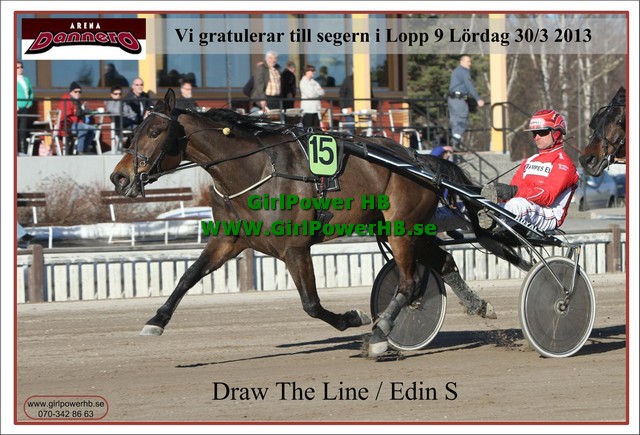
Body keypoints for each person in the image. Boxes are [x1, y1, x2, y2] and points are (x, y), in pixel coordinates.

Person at [479, 109, 579, 233]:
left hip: (549, 214)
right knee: (482, 204)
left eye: (542, 132)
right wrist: (502, 195)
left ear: (556, 133)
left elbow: (547, 196)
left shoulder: (564, 164)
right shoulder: (529, 160)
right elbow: (514, 190)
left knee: (520, 204)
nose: (537, 137)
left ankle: (495, 217)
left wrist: (513, 191)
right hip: (523, 209)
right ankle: (473, 215)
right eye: (534, 133)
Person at [447, 55, 485, 147]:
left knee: (455, 122)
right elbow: (469, 86)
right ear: (462, 62)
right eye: (468, 62)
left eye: (470, 62)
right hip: (459, 100)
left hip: (452, 99)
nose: (470, 64)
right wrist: (478, 99)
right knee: (463, 122)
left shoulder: (455, 71)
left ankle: (454, 144)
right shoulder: (464, 71)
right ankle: (454, 142)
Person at [57, 81, 97, 154]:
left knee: (93, 129)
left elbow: (78, 113)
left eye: (79, 92)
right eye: (75, 91)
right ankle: (80, 151)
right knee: (84, 128)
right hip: (67, 125)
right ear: (71, 92)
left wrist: (84, 110)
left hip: (76, 123)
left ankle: (84, 149)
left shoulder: (76, 101)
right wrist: (81, 111)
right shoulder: (66, 100)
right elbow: (66, 114)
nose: (78, 93)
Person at [299, 65, 325, 129]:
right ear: (306, 72)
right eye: (312, 70)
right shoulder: (303, 82)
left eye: (314, 70)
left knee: (316, 129)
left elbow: (322, 92)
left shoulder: (314, 82)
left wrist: (315, 92)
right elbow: (310, 95)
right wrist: (317, 91)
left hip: (316, 109)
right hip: (307, 110)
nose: (314, 72)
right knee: (308, 129)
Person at [17, 61, 34, 154]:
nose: (20, 69)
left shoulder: (26, 79)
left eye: (21, 67)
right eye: (17, 67)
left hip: (24, 108)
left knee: (22, 130)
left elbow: (31, 93)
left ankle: (22, 150)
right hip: (16, 108)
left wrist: (29, 103)